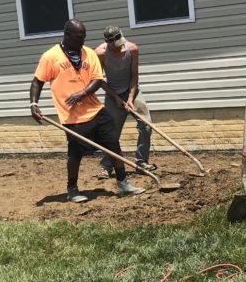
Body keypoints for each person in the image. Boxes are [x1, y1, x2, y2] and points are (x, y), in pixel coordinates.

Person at [30, 19, 145, 202]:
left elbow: (98, 79)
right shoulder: (50, 56)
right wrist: (33, 105)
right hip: (71, 116)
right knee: (75, 154)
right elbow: (37, 81)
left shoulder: (89, 54)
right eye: (78, 37)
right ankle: (72, 189)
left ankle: (123, 183)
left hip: (96, 110)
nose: (82, 40)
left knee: (113, 144)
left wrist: (82, 93)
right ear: (67, 35)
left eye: (84, 36)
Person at [94, 25, 155, 178]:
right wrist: (116, 97)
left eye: (120, 42)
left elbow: (135, 75)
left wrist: (130, 98)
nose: (119, 46)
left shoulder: (132, 49)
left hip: (132, 91)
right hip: (112, 93)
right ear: (107, 42)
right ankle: (106, 166)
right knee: (110, 132)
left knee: (146, 125)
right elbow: (99, 80)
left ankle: (141, 163)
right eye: (115, 44)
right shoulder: (100, 53)